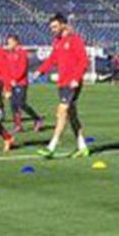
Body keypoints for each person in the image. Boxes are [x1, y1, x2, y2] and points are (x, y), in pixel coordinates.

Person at [32, 14, 90, 159]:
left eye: (55, 26)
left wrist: (76, 78)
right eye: (51, 27)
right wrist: (40, 70)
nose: (52, 30)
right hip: (62, 83)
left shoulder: (75, 40)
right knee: (72, 116)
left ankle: (52, 146)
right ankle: (83, 147)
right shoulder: (57, 42)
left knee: (61, 111)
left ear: (63, 25)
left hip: (72, 83)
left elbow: (83, 61)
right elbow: (52, 58)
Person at [5, 34, 44, 133]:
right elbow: (7, 69)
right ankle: (17, 125)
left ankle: (37, 118)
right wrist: (8, 82)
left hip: (21, 83)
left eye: (10, 42)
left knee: (21, 103)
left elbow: (23, 68)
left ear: (16, 42)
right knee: (13, 104)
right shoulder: (9, 54)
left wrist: (15, 79)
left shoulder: (22, 53)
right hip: (12, 83)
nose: (8, 44)